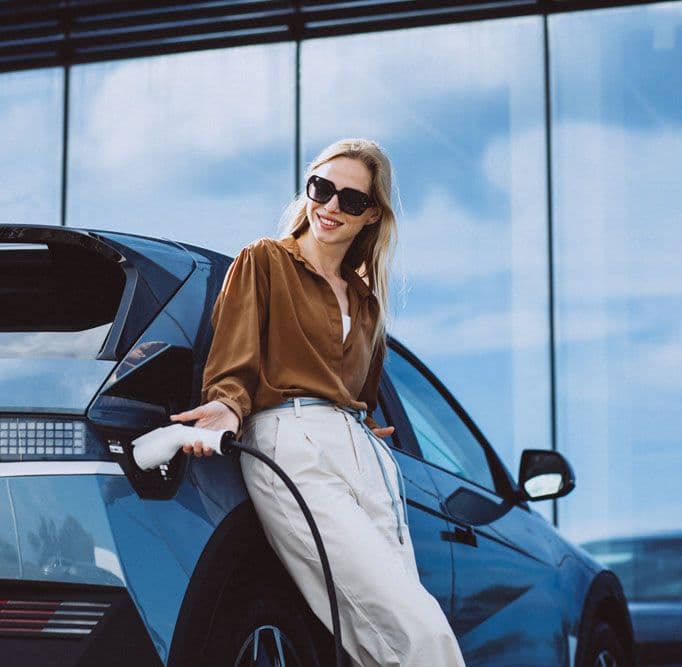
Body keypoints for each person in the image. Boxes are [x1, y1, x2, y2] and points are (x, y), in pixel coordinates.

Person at [169, 138, 465, 667]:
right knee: (419, 635)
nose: (330, 207)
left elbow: (359, 395)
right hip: (294, 443)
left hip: (365, 458)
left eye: (351, 200)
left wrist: (360, 425)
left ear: (371, 215)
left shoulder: (366, 300)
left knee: (379, 642)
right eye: (321, 189)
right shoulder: (263, 261)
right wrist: (228, 407)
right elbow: (234, 358)